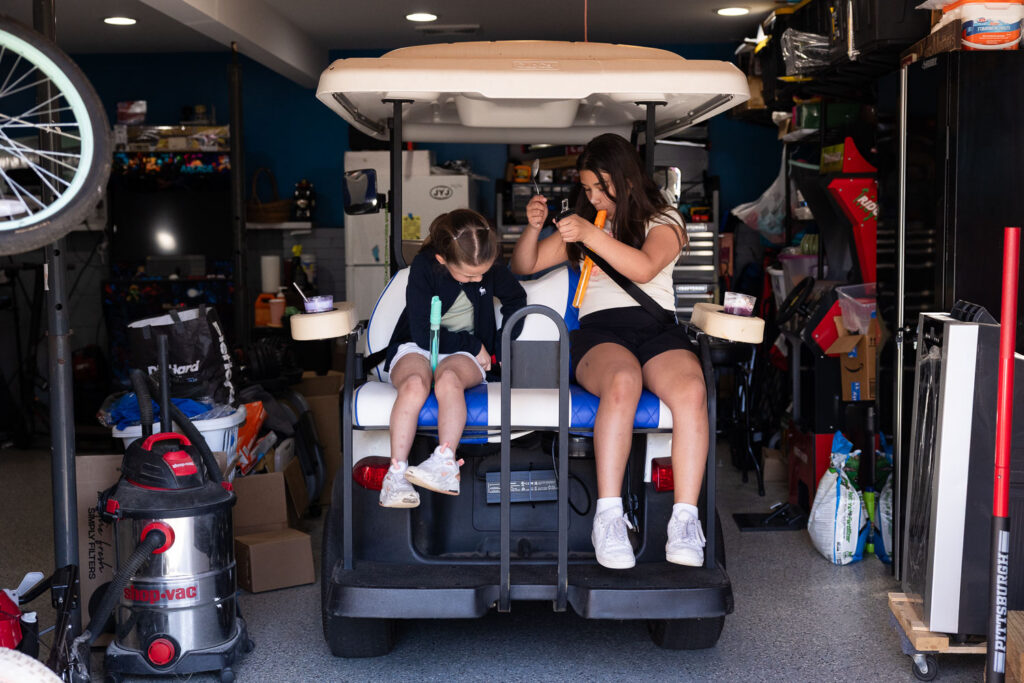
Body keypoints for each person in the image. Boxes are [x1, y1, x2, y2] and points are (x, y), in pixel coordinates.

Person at [510, 133, 707, 569]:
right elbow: (523, 266)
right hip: (600, 334)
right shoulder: (585, 223)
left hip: (658, 331)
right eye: (587, 189)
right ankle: (609, 516)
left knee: (692, 390)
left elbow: (643, 267)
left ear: (626, 179)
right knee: (623, 381)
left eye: (600, 188)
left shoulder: (665, 220)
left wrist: (589, 235)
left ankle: (684, 519)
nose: (593, 196)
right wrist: (535, 226)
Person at [379, 209, 527, 508]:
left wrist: (497, 347)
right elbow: (423, 335)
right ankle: (395, 477)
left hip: (462, 353)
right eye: (470, 275)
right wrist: (474, 345)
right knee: (414, 385)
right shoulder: (425, 266)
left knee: (448, 380)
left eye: (483, 272)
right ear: (442, 260)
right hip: (420, 343)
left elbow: (516, 300)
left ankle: (444, 463)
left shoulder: (489, 268)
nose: (479, 278)